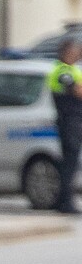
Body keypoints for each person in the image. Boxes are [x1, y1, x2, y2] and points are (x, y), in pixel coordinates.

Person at [50, 37, 82, 215]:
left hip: (73, 121)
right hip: (69, 121)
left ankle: (63, 200)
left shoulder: (71, 69)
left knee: (70, 162)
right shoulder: (62, 71)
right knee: (69, 163)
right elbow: (77, 91)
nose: (78, 53)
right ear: (66, 52)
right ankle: (65, 202)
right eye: (75, 51)